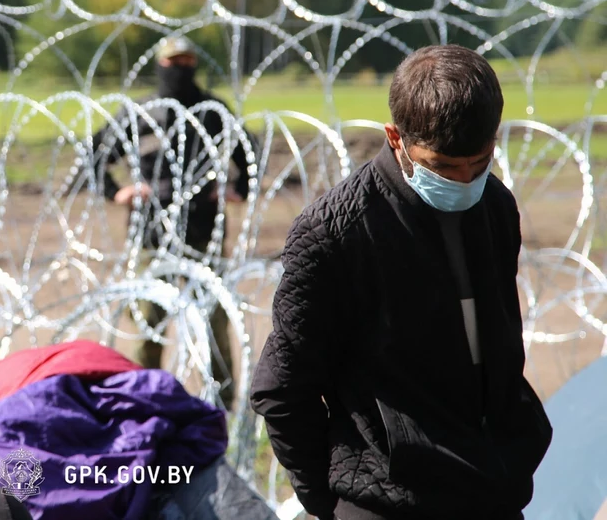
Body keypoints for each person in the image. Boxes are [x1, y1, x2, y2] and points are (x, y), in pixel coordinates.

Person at [249, 45, 553, 520]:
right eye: (443, 167)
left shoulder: (495, 206)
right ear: (395, 138)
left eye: (479, 161)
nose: (465, 180)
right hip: (386, 500)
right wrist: (326, 504)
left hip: (492, 488)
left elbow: (495, 348)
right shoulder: (336, 233)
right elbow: (283, 388)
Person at [86, 35, 256, 409]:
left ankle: (222, 401)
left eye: (187, 62)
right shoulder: (145, 111)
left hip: (203, 227)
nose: (180, 70)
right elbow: (95, 152)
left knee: (213, 317)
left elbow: (248, 150)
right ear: (160, 65)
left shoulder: (211, 110)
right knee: (149, 320)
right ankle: (145, 399)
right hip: (151, 230)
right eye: (173, 63)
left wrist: (236, 188)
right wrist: (118, 191)